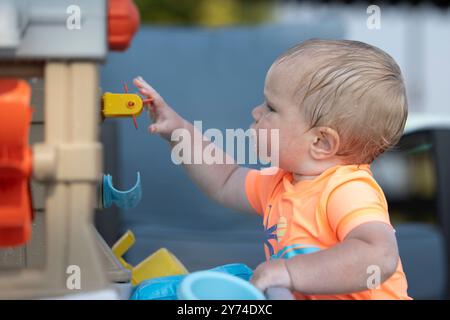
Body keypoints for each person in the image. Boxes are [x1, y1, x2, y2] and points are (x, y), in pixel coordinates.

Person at [133, 39, 410, 299]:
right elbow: (225, 179)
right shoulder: (282, 181)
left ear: (321, 141)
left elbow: (378, 255)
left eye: (271, 107)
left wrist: (290, 272)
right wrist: (178, 130)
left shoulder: (347, 190)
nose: (256, 112)